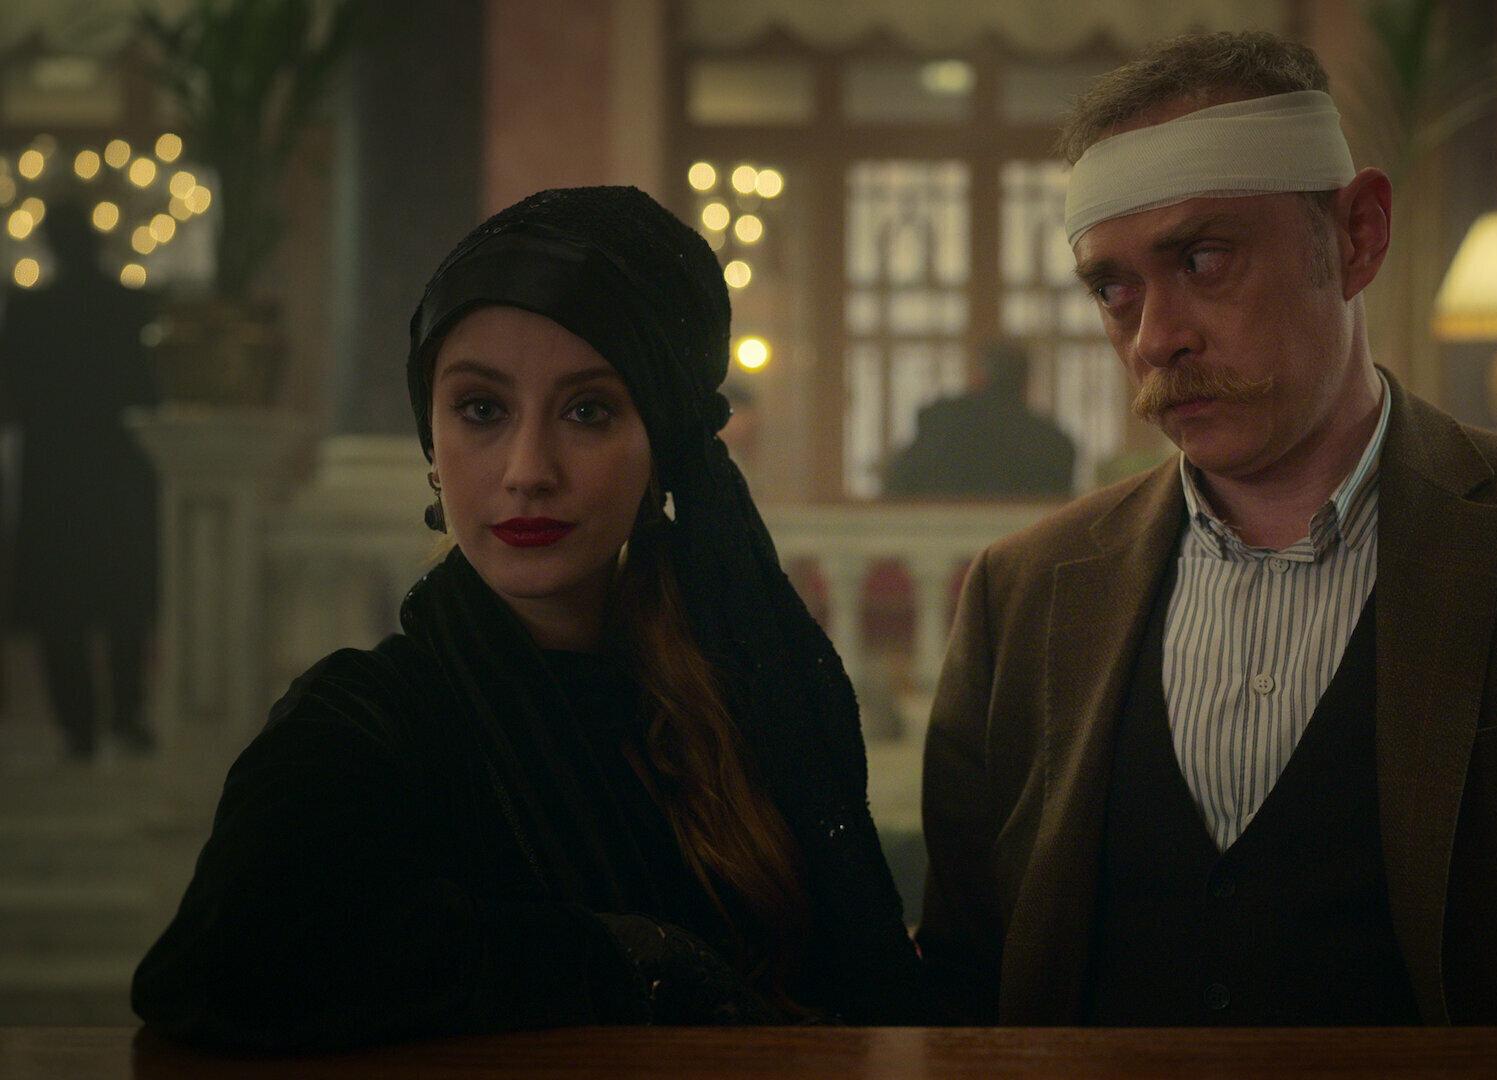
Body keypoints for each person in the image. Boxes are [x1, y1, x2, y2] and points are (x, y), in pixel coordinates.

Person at [916, 32, 1497, 1027]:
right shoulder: (1023, 593)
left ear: (1357, 236)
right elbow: (964, 990)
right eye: (1113, 288)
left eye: (1205, 259)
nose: (1156, 336)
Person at [133, 188, 927, 1050]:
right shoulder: (366, 724)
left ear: (660, 448)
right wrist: (622, 961)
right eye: (482, 409)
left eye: (588, 411)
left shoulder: (744, 708)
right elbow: (217, 970)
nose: (527, 470)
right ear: (433, 447)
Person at [0, 200, 157, 760]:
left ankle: (79, 727)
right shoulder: (128, 304)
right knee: (123, 601)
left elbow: (10, 396)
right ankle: (126, 715)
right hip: (118, 471)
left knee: (61, 608)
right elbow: (150, 389)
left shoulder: (30, 311)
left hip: (55, 475)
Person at [882, 341, 1076, 498]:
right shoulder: (1053, 442)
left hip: (936, 531)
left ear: (979, 377)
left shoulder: (941, 419)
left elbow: (898, 486)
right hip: (1025, 534)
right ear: (1026, 383)